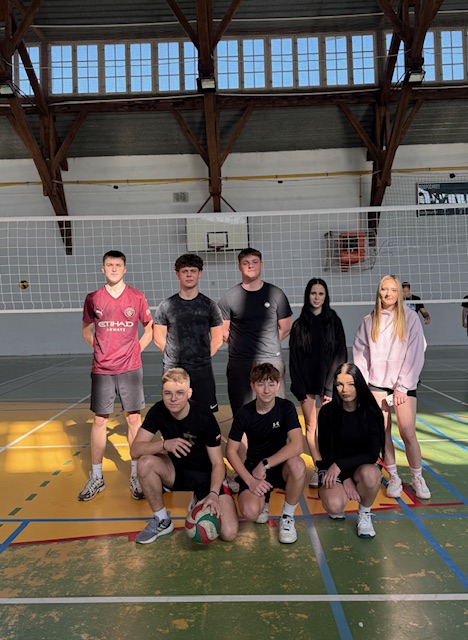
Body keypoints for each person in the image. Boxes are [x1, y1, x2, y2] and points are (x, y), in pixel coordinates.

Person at [131, 368, 239, 544]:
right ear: (162, 393)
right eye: (168, 393)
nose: (173, 398)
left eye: (179, 393)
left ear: (189, 393)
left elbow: (218, 463)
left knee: (229, 533)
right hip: (176, 472)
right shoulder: (158, 411)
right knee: (144, 462)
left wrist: (213, 493)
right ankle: (162, 519)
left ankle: (203, 496)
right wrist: (164, 444)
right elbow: (135, 450)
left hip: (206, 477)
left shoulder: (204, 417)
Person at [80, 250, 154, 501]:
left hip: (130, 368)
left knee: (133, 419)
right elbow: (86, 331)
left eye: (118, 265)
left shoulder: (137, 296)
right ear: (103, 269)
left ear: (125, 269)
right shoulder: (93, 298)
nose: (113, 269)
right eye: (109, 265)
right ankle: (97, 477)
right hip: (102, 369)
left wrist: (136, 350)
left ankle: (136, 474)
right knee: (100, 420)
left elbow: (150, 329)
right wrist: (101, 351)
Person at [353, 275, 431, 501]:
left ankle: (417, 477)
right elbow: (361, 354)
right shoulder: (370, 320)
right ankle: (394, 476)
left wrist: (403, 387)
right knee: (383, 433)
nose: (388, 294)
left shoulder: (410, 318)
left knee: (408, 433)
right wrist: (364, 385)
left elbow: (415, 353)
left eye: (393, 290)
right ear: (379, 292)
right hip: (377, 384)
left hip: (403, 386)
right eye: (384, 289)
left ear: (400, 293)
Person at [226, 363, 306, 544]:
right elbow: (230, 451)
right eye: (261, 384)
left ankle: (287, 516)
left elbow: (297, 446)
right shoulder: (244, 413)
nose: (267, 390)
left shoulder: (286, 407)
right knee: (251, 512)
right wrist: (250, 481)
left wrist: (265, 464)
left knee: (298, 464)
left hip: (278, 466)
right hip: (253, 469)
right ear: (252, 386)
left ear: (278, 385)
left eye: (271, 384)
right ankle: (264, 499)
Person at [218, 248, 293, 416]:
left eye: (254, 262)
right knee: (241, 410)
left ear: (261, 265)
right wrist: (242, 345)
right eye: (245, 263)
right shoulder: (230, 297)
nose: (250, 266)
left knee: (274, 409)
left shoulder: (276, 294)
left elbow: (286, 327)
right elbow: (222, 331)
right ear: (239, 267)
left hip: (270, 358)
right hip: (240, 361)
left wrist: (267, 345)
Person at [289, 278, 347, 487]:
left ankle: (333, 465)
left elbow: (340, 354)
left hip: (328, 383)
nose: (316, 297)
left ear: (325, 296)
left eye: (320, 294)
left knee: (329, 427)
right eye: (313, 293)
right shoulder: (299, 325)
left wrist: (331, 387)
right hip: (306, 384)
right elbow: (294, 359)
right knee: (311, 426)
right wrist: (299, 388)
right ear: (308, 295)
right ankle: (319, 467)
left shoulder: (334, 321)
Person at [317, 362, 385, 539]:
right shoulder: (327, 413)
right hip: (333, 466)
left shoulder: (372, 412)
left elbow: (371, 454)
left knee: (371, 475)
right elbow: (326, 451)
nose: (344, 390)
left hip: (359, 467)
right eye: (340, 384)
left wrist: (341, 465)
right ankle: (339, 497)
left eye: (350, 384)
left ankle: (364, 513)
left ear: (359, 385)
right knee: (334, 505)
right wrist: (345, 478)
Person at [153, 253, 223, 412]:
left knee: (205, 414)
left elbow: (218, 339)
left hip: (202, 369)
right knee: (174, 412)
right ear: (177, 274)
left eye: (193, 271)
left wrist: (201, 359)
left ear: (200, 273)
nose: (189, 275)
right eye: (185, 271)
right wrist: (173, 358)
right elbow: (158, 337)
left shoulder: (209, 305)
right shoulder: (166, 305)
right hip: (174, 369)